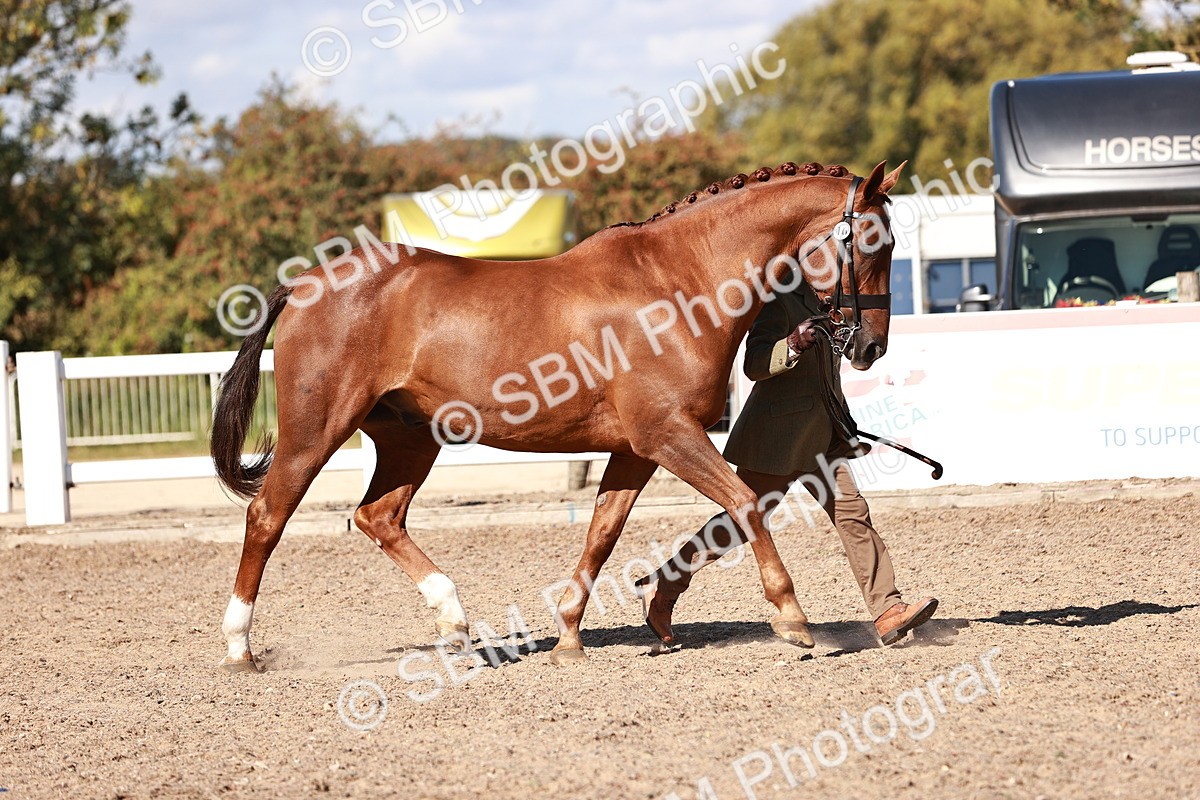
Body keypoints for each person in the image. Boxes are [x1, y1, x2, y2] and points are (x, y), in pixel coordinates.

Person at [636, 281, 937, 647]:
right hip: (777, 438)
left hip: (825, 435)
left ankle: (888, 611)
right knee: (738, 525)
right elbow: (754, 364)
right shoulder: (777, 301)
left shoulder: (836, 302)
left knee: (853, 513)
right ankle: (664, 584)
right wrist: (792, 344)